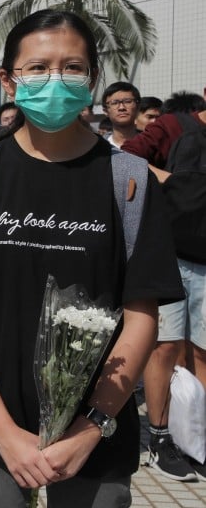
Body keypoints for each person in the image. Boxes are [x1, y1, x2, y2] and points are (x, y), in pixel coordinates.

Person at [0, 9, 184, 507]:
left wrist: (92, 426)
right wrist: (2, 429)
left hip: (97, 426)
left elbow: (142, 318)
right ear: (9, 81)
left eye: (73, 67)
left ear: (92, 79)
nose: (56, 79)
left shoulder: (130, 182)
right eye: (37, 67)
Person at [122, 90, 206, 481]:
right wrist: (173, 183)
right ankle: (159, 438)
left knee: (202, 352)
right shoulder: (174, 125)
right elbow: (128, 154)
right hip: (167, 254)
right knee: (165, 347)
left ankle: (196, 438)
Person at [101, 82, 141, 149]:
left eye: (128, 101)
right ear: (106, 111)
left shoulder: (150, 144)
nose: (121, 108)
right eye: (114, 103)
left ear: (138, 107)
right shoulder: (98, 147)